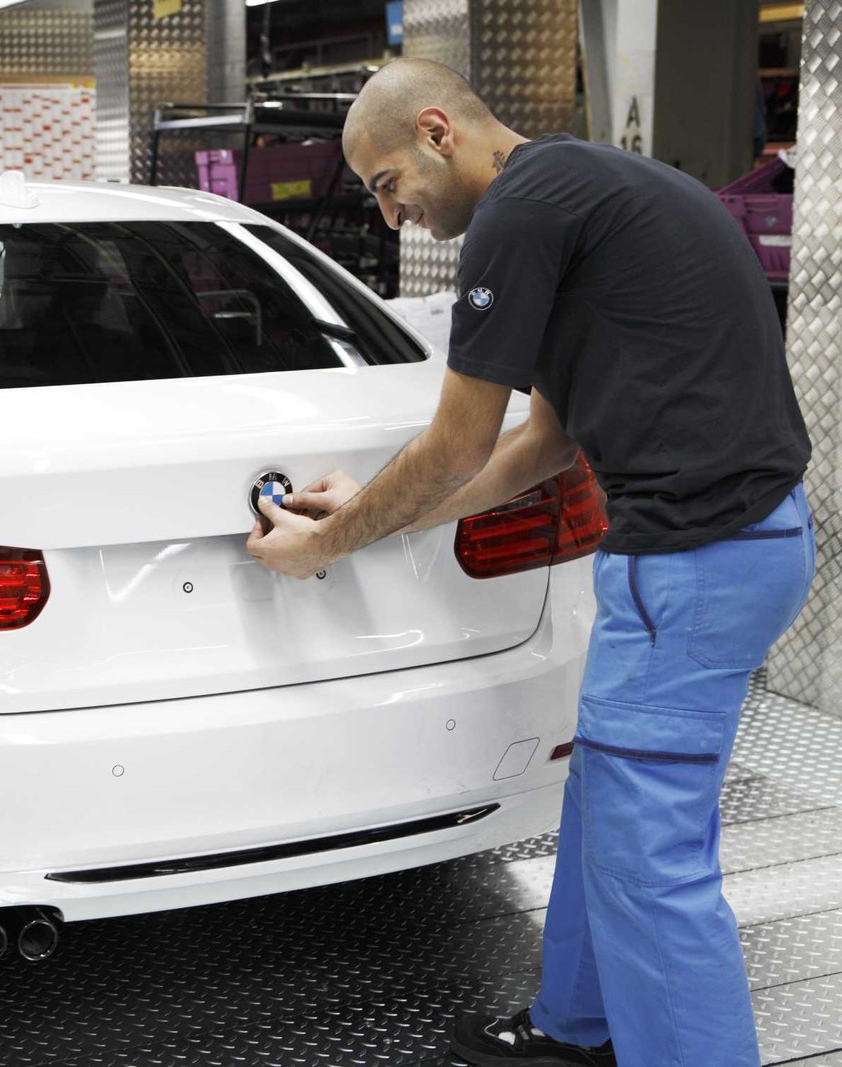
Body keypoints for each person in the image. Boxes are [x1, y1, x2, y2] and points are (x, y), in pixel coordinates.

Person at [246, 59, 812, 1067]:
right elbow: (540, 440)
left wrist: (326, 545)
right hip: (735, 544)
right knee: (606, 806)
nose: (387, 216)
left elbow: (459, 439)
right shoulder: (590, 188)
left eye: (384, 184)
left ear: (436, 132)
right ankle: (574, 1024)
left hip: (692, 561)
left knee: (652, 867)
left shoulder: (520, 211)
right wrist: (382, 510)